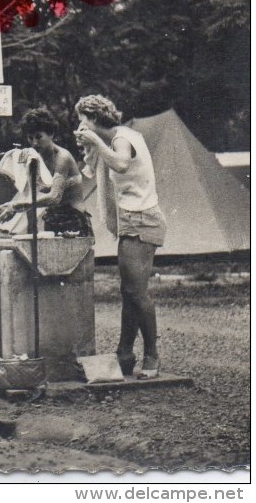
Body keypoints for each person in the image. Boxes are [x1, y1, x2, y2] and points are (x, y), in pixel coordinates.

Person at [74, 95, 165, 380]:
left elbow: (122, 164)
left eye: (82, 120)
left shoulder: (121, 139)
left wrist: (96, 144)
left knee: (136, 292)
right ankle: (124, 354)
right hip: (131, 219)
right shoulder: (115, 138)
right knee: (129, 290)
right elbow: (91, 170)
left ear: (94, 119)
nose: (79, 125)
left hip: (142, 219)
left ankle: (152, 357)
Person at [0, 107, 92, 237]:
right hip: (51, 221)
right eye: (30, 138)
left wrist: (16, 206)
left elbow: (54, 197)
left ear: (51, 134)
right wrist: (31, 232)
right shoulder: (32, 159)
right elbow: (29, 195)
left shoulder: (63, 157)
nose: (35, 143)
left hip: (74, 220)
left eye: (39, 137)